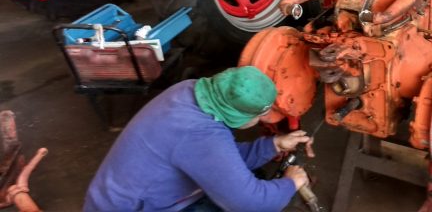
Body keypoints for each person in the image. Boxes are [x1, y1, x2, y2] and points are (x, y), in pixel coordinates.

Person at [84, 66, 313, 212]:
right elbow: (249, 203)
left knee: (254, 178)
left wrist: (273, 144)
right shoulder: (201, 134)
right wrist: (290, 183)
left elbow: (217, 160)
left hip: (121, 194)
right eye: (260, 115)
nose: (263, 119)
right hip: (132, 207)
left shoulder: (188, 91)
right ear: (240, 116)